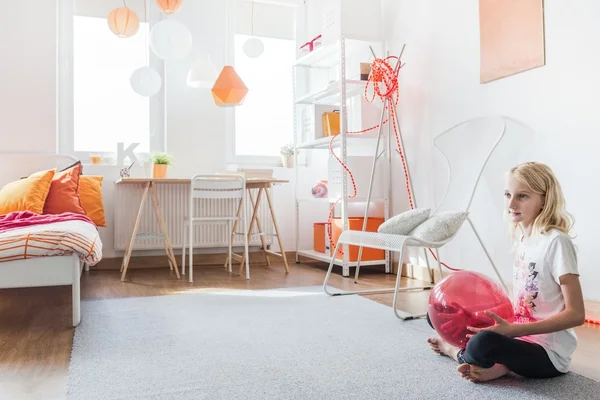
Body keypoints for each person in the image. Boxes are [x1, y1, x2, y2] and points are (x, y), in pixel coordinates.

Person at [427, 162, 586, 383]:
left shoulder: (557, 243)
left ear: (544, 200)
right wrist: (496, 322)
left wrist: (511, 331)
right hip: (517, 335)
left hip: (547, 353)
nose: (511, 204)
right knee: (436, 313)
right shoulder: (523, 240)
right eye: (507, 194)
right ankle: (500, 365)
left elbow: (576, 314)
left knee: (482, 344)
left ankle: (455, 352)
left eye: (522, 196)